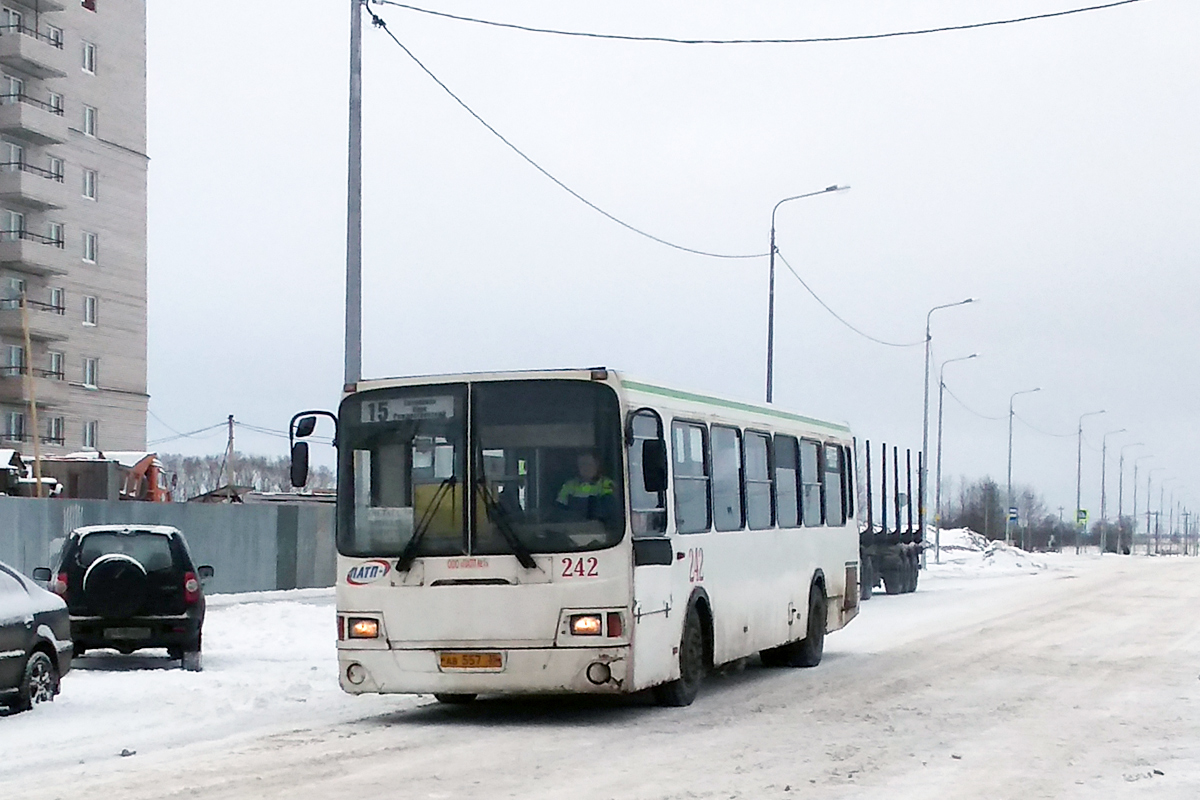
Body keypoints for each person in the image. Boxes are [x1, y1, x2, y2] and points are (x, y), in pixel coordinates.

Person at [556, 452, 617, 524]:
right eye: (582, 465)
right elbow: (559, 511)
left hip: (600, 530)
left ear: (597, 466)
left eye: (589, 464)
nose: (586, 468)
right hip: (573, 528)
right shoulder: (568, 485)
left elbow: (610, 511)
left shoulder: (607, 484)